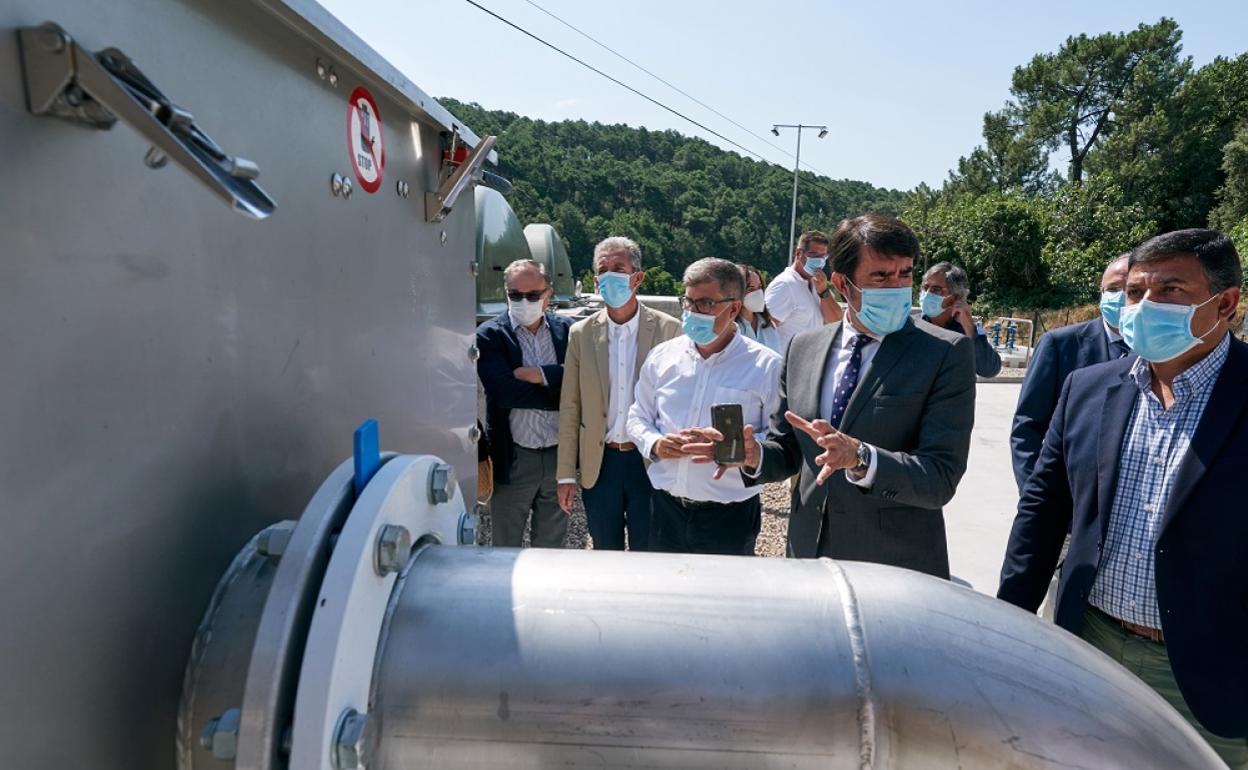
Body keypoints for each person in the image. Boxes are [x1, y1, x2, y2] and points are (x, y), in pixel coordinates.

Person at [997, 229, 1248, 767]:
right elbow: (1041, 515)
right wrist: (1006, 627)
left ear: (1225, 303)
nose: (1144, 307)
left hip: (1214, 672)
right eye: (1135, 294)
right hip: (1090, 645)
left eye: (1170, 291)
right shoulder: (1088, 387)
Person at [738, 213, 976, 577]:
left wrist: (861, 457)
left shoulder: (946, 354)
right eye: (880, 276)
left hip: (895, 566)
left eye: (906, 273)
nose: (897, 286)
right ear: (841, 283)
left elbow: (939, 477)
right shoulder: (803, 348)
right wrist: (752, 455)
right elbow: (789, 450)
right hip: (808, 557)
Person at [626, 257, 782, 555]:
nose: (692, 312)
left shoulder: (765, 367)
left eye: (706, 304)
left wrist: (741, 450)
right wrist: (656, 443)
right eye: (688, 301)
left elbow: (780, 441)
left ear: (734, 308)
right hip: (664, 509)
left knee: (724, 600)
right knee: (665, 597)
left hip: (729, 516)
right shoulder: (663, 358)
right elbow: (638, 417)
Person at [555, 237, 681, 550]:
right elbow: (571, 406)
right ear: (596, 282)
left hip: (650, 462)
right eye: (604, 270)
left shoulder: (669, 330)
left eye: (618, 268)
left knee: (649, 552)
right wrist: (566, 474)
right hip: (601, 464)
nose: (610, 276)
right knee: (604, 555)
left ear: (637, 277)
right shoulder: (581, 334)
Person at [1009, 253, 1130, 491]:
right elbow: (1027, 428)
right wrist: (1037, 498)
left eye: (1131, 289)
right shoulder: (1060, 344)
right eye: (1114, 288)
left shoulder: (1161, 352)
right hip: (1069, 501)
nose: (1122, 297)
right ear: (1101, 292)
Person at [476, 259, 572, 548]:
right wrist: (560, 389)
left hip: (559, 456)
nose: (524, 301)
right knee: (505, 547)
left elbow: (583, 385)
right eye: (515, 295)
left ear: (548, 294)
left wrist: (539, 374)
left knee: (552, 546)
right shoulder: (491, 335)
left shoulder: (568, 332)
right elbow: (504, 393)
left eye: (532, 295)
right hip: (514, 457)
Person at [919, 262, 1002, 378]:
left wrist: (970, 328)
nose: (927, 294)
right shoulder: (912, 325)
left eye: (936, 289)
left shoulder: (966, 331)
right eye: (925, 287)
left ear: (955, 297)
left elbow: (989, 369)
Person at [764, 230, 843, 350]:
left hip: (810, 363)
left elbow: (835, 320)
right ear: (799, 253)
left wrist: (823, 291)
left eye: (823, 256)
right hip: (787, 364)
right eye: (815, 255)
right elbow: (765, 330)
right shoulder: (784, 284)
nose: (820, 260)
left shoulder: (818, 284)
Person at [735, 263, 782, 353]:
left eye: (760, 287)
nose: (758, 293)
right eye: (751, 289)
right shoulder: (729, 328)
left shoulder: (769, 325)